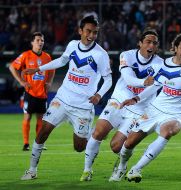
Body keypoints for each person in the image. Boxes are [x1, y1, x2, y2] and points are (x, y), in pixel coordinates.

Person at [114, 33, 181, 183]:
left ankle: (136, 169)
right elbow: (156, 85)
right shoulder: (162, 65)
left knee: (168, 131)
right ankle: (121, 166)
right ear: (175, 49)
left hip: (176, 115)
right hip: (153, 110)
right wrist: (135, 98)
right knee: (129, 143)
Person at [20, 15, 112, 180]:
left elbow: (108, 79)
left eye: (95, 33)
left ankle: (94, 135)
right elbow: (61, 61)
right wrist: (37, 69)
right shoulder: (72, 45)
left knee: (78, 147)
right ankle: (32, 170)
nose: (91, 36)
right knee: (43, 132)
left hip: (83, 106)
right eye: (88, 31)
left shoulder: (101, 54)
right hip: (62, 99)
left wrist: (99, 94)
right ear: (80, 31)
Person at [81, 28, 164, 182]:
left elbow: (154, 87)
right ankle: (87, 170)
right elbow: (128, 78)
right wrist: (143, 82)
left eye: (154, 43)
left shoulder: (161, 64)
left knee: (116, 146)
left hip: (139, 108)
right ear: (140, 43)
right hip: (119, 100)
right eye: (148, 42)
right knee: (98, 132)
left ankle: (122, 167)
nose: (151, 45)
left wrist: (137, 98)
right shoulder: (126, 55)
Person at [9, 32, 55, 151]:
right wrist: (21, 81)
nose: (40, 42)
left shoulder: (47, 57)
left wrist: (49, 82)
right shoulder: (26, 55)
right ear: (32, 42)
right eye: (38, 40)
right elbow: (12, 67)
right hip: (30, 93)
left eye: (42, 41)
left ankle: (38, 143)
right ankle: (26, 143)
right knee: (27, 117)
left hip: (42, 93)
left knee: (41, 119)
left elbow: (52, 69)